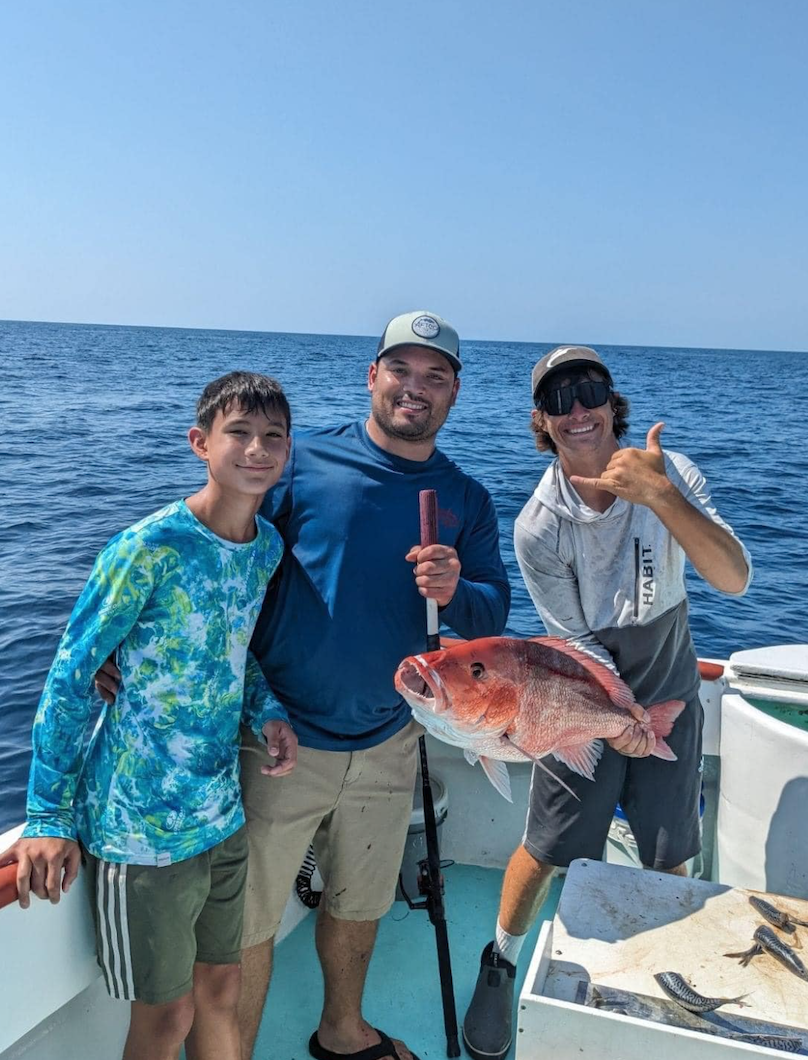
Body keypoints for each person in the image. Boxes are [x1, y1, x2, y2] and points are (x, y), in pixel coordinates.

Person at [96, 311, 511, 1060]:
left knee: (362, 901)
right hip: (277, 737)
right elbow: (214, 550)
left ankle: (342, 1031)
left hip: (392, 735)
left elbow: (493, 610)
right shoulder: (299, 462)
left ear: (454, 393)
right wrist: (129, 637)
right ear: (372, 376)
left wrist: (456, 591)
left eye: (434, 377)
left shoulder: (467, 498)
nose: (414, 388)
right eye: (401, 370)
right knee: (245, 924)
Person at [462, 345, 752, 1060]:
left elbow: (734, 578)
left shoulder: (671, 474)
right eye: (558, 401)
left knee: (669, 850)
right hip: (578, 693)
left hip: (671, 683)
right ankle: (501, 960)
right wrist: (619, 720)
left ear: (611, 402)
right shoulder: (538, 523)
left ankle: (663, 975)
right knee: (548, 847)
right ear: (542, 422)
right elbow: (572, 644)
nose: (577, 410)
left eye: (588, 391)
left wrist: (660, 497)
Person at [0, 372, 299, 1060]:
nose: (257, 449)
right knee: (165, 1020)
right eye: (240, 434)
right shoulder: (147, 549)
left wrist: (268, 710)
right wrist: (47, 815)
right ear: (200, 442)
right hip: (140, 832)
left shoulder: (266, 549)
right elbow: (72, 675)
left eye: (273, 438)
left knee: (223, 988)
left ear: (288, 452)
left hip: (221, 815)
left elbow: (231, 652)